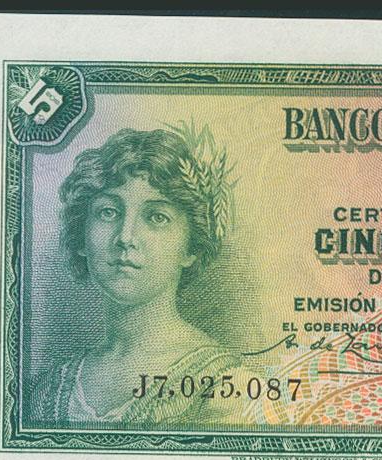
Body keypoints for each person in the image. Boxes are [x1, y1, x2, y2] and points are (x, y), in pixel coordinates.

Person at [30, 126, 239, 427]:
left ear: (191, 248)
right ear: (82, 237)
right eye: (108, 212)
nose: (125, 237)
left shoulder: (225, 384)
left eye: (156, 217)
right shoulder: (46, 391)